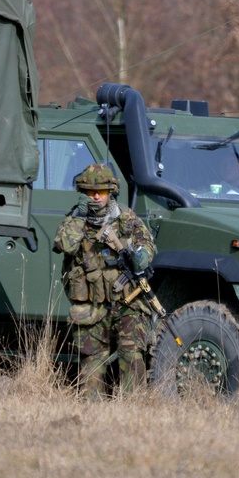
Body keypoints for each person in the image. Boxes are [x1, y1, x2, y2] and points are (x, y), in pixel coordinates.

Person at [53, 163, 158, 399]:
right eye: (90, 192)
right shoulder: (74, 220)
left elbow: (147, 243)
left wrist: (143, 254)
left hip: (127, 302)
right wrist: (80, 216)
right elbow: (65, 245)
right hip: (92, 306)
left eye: (101, 191)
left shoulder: (126, 217)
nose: (96, 196)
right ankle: (92, 412)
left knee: (132, 355)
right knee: (91, 363)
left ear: (111, 192)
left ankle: (134, 409)